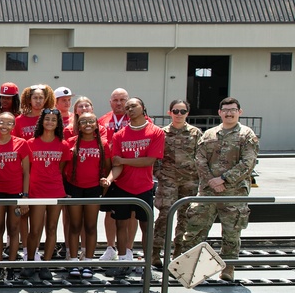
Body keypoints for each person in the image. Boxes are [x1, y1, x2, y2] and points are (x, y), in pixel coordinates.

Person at [180, 97, 259, 281]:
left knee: (231, 234)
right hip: (207, 192)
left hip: (234, 193)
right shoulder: (209, 135)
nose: (229, 113)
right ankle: (190, 270)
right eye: (225, 110)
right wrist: (212, 181)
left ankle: (228, 269)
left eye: (233, 109)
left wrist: (224, 179)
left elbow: (248, 163)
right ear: (219, 113)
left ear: (240, 111)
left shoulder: (247, 135)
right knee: (194, 231)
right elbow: (199, 160)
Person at [100, 98, 165, 278]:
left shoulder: (156, 132)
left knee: (146, 226)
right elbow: (117, 165)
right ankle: (122, 261)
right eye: (127, 107)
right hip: (123, 187)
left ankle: (147, 264)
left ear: (143, 108)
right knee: (121, 225)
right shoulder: (119, 135)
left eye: (133, 106)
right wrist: (109, 179)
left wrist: (124, 161)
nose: (130, 109)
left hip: (143, 187)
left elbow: (149, 160)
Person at [152, 100, 202, 268]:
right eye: (176, 111)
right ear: (170, 112)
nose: (179, 114)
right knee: (165, 216)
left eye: (182, 111)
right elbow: (156, 157)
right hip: (168, 181)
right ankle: (155, 252)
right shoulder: (162, 133)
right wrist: (160, 175)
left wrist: (198, 176)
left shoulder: (195, 133)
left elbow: (200, 157)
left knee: (185, 218)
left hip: (189, 181)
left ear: (187, 113)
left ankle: (179, 253)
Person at [0, 112, 30, 280]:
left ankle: (10, 266)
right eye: (1, 122)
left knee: (14, 229)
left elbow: (26, 172)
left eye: (8, 123)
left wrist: (25, 196)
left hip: (16, 193)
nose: (4, 125)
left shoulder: (21, 144)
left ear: (13, 126)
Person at [26, 109, 71, 281]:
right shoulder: (31, 143)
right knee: (35, 230)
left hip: (56, 190)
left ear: (58, 123)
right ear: (41, 122)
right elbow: (28, 169)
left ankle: (45, 263)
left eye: (54, 119)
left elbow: (60, 169)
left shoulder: (63, 144)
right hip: (37, 191)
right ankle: (30, 262)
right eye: (47, 119)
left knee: (51, 228)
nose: (50, 122)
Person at [64, 112, 109, 280]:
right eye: (83, 121)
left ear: (97, 124)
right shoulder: (71, 142)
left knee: (90, 226)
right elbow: (64, 167)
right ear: (79, 125)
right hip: (74, 188)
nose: (88, 124)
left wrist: (104, 185)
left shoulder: (103, 144)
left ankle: (88, 261)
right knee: (75, 225)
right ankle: (73, 261)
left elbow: (108, 167)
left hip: (93, 188)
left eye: (91, 121)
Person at [97, 88, 132, 262]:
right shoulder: (102, 120)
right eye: (116, 100)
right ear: (110, 102)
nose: (119, 103)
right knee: (109, 212)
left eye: (122, 100)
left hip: (130, 172)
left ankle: (128, 249)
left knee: (131, 212)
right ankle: (110, 247)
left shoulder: (137, 119)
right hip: (108, 173)